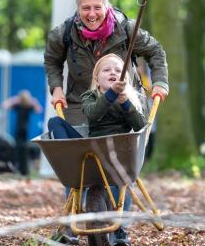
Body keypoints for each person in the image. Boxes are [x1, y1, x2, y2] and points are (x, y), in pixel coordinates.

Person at [48, 54, 149, 246]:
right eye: (107, 70)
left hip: (118, 154)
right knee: (55, 122)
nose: (113, 72)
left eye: (118, 71)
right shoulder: (90, 96)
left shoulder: (129, 101)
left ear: (125, 78)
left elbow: (139, 127)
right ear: (96, 78)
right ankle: (70, 225)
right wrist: (110, 95)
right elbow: (94, 114)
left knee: (125, 181)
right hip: (89, 152)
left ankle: (119, 230)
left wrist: (124, 101)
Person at [44, 0, 169, 125]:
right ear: (78, 8)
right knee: (66, 135)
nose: (92, 14)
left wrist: (160, 82)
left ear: (106, 6)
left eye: (97, 7)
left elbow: (155, 50)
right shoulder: (64, 33)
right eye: (86, 8)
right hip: (82, 106)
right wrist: (56, 88)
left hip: (125, 104)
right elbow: (52, 60)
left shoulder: (126, 29)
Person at [4, 90, 42, 175]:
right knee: (18, 149)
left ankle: (23, 170)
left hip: (24, 131)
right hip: (19, 131)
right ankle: (19, 168)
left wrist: (33, 101)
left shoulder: (28, 106)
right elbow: (5, 105)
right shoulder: (18, 106)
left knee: (23, 150)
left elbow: (38, 110)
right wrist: (15, 99)